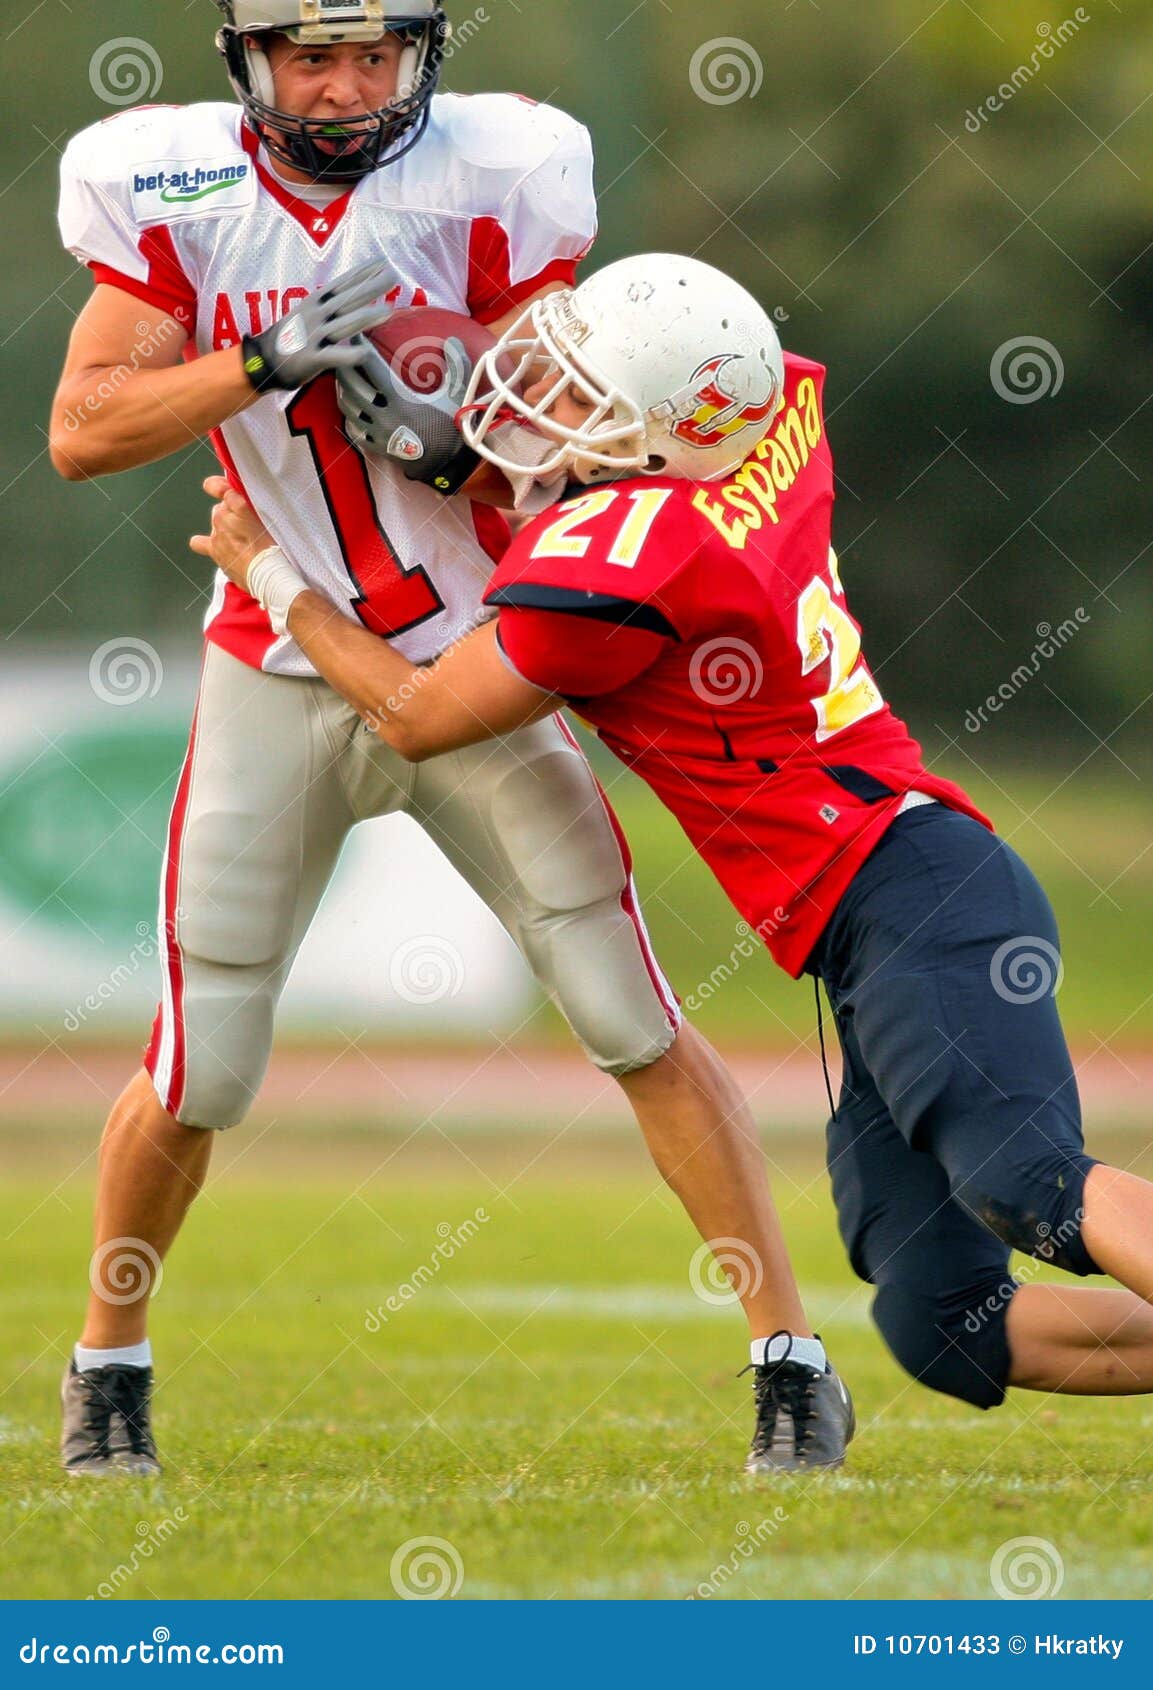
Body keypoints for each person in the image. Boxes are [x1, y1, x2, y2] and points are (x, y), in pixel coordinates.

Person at [50, 5, 842, 1478]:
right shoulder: (169, 189)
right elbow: (83, 427)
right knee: (201, 1061)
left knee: (631, 1014)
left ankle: (790, 1362)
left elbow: (583, 414)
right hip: (276, 671)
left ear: (421, 56)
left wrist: (456, 442)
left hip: (481, 662)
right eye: (311, 56)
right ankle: (108, 1366)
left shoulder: (500, 174)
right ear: (250, 65)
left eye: (374, 54)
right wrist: (257, 362)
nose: (346, 87)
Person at [197, 249, 1153, 1425]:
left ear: (653, 438)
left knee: (1027, 1182)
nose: (535, 398)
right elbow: (629, 463)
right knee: (938, 1321)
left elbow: (414, 713)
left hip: (908, 892)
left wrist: (275, 575)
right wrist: (476, 458)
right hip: (889, 900)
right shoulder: (755, 428)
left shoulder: (629, 558)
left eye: (573, 391)